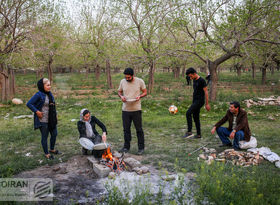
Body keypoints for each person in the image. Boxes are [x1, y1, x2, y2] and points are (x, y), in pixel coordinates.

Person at [27, 78, 60, 160]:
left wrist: (55, 114)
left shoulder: (49, 94)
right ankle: (47, 153)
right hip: (43, 120)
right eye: (48, 85)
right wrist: (37, 111)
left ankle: (52, 149)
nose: (50, 86)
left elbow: (53, 105)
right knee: (45, 136)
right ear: (42, 86)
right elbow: (29, 104)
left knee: (54, 133)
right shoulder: (39, 95)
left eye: (50, 85)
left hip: (51, 119)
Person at [118, 68, 147, 155]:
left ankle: (141, 148)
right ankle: (126, 147)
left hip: (136, 109)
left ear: (133, 75)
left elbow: (145, 92)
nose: (127, 79)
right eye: (126, 77)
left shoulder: (140, 81)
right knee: (126, 129)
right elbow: (119, 91)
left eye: (129, 77)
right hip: (125, 109)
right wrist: (121, 96)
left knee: (139, 129)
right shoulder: (122, 81)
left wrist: (140, 96)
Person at [182, 67, 210, 139]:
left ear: (194, 74)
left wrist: (207, 104)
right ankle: (198, 134)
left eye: (191, 76)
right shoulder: (194, 80)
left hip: (200, 101)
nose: (190, 78)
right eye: (189, 77)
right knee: (195, 116)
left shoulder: (202, 80)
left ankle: (189, 132)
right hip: (195, 100)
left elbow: (206, 92)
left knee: (188, 113)